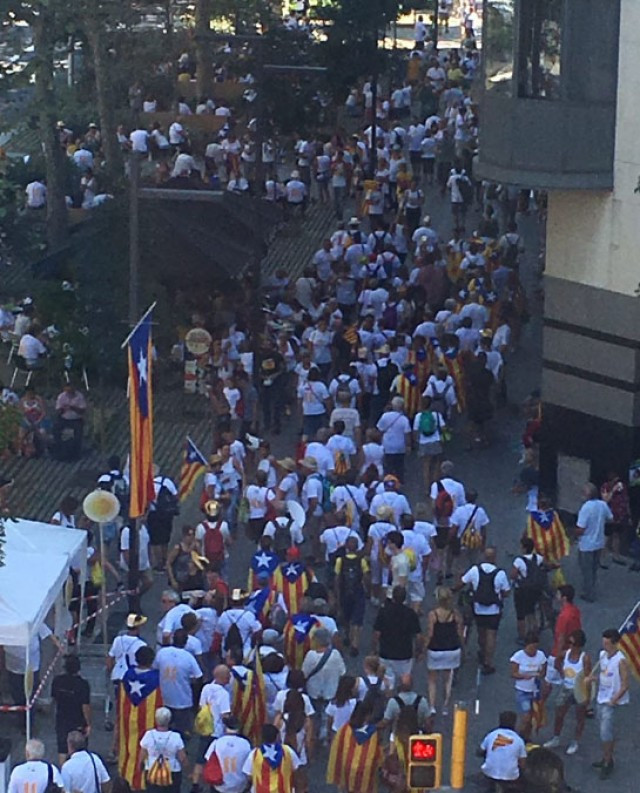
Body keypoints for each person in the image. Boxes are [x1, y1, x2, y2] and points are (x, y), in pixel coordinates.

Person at [460, 547, 510, 674]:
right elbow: (506, 592)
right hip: (494, 610)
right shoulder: (500, 573)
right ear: (494, 558)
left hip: (478, 608)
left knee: (481, 632)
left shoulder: (475, 570)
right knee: (491, 635)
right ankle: (488, 662)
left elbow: (462, 582)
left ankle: (482, 651)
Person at [543, 629, 592, 756]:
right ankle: (556, 737)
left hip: (579, 690)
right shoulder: (565, 654)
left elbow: (588, 678)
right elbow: (556, 661)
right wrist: (561, 673)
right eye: (569, 643)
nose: (570, 646)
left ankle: (575, 741)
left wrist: (587, 697)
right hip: (566, 688)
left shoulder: (585, 659)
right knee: (559, 714)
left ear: (579, 645)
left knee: (579, 717)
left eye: (573, 643)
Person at [589, 628, 629, 780]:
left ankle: (608, 761)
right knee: (603, 731)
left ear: (615, 644)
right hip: (601, 698)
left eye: (607, 643)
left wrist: (614, 700)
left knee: (606, 733)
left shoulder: (621, 661)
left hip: (611, 702)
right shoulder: (603, 655)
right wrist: (594, 680)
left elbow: (625, 684)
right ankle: (606, 757)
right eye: (603, 642)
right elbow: (604, 675)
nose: (604, 646)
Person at [153, 629, 203, 736]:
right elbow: (199, 676)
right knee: (182, 731)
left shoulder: (162, 652)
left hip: (164, 697)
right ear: (185, 642)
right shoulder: (188, 657)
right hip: (183, 700)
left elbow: (155, 669)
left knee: (164, 728)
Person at [424, 587, 464, 716]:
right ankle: (445, 705)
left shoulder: (433, 614)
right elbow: (460, 632)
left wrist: (423, 648)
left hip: (436, 649)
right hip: (452, 648)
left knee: (432, 679)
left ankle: (432, 706)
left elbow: (430, 633)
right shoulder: (455, 613)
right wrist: (462, 646)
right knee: (448, 678)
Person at [372, 585, 422, 686]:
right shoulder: (410, 613)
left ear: (393, 597)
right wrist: (418, 650)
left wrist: (374, 649)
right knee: (404, 681)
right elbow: (418, 636)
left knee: (387, 682)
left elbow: (377, 633)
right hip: (405, 654)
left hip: (386, 653)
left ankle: (389, 699)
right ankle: (401, 700)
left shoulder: (384, 612)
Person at [301, 628, 345, 741]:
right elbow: (342, 672)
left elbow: (304, 673)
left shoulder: (310, 655)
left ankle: (313, 735)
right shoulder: (336, 654)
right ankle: (324, 736)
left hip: (313, 691)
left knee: (314, 714)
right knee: (327, 715)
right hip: (331, 691)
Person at [575, 482, 613, 602]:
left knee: (586, 569)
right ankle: (591, 587)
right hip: (599, 542)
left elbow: (581, 528)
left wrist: (573, 534)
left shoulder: (585, 508)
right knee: (593, 568)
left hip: (586, 544)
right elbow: (611, 518)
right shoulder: (602, 505)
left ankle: (589, 593)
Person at [51, 655, 91, 765]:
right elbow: (85, 706)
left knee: (62, 749)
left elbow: (54, 698)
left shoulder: (57, 681)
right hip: (78, 721)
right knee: (79, 750)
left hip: (61, 719)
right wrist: (88, 723)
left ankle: (63, 775)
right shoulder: (83, 685)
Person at [334, 536, 370, 654]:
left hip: (344, 592)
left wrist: (337, 594)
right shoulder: (362, 560)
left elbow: (337, 578)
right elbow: (366, 576)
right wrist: (367, 590)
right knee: (357, 619)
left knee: (346, 616)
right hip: (358, 591)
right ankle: (355, 644)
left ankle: (347, 634)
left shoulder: (340, 560)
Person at [140, 706, 188, 793]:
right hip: (172, 771)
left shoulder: (148, 735)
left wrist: (140, 766)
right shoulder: (176, 737)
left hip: (152, 770)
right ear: (169, 720)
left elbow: (142, 754)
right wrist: (187, 769)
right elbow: (182, 757)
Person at [509, 632, 547, 741]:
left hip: (535, 690)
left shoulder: (541, 656)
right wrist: (524, 676)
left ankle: (527, 737)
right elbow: (513, 673)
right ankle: (520, 736)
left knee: (533, 716)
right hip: (523, 691)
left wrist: (540, 675)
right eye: (531, 647)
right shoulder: (518, 657)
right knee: (526, 716)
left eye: (536, 647)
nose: (534, 650)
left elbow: (543, 672)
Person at [242, 723, 300, 793]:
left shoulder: (254, 754)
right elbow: (296, 770)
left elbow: (248, 774)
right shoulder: (287, 751)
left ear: (262, 738)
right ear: (277, 736)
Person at [202, 715, 252, 793]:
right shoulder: (246, 744)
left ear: (225, 728)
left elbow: (208, 760)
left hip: (220, 785)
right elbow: (249, 765)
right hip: (239, 786)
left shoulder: (217, 742)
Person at [480, 711, 527, 790]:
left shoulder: (491, 735)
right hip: (510, 776)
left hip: (490, 773)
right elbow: (523, 763)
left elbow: (480, 751)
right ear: (514, 723)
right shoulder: (519, 740)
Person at [511, 536, 545, 643]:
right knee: (531, 612)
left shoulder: (519, 561)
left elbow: (513, 575)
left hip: (522, 590)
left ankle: (522, 637)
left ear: (524, 548)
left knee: (520, 614)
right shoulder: (539, 558)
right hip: (535, 589)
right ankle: (534, 634)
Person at [376, 396, 412, 481]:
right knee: (399, 467)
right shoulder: (404, 419)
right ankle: (398, 482)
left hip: (387, 446)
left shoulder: (385, 416)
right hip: (400, 447)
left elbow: (379, 430)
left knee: (387, 466)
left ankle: (387, 482)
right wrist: (408, 446)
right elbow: (407, 434)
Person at [53, 382, 87, 461]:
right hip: (64, 419)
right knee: (56, 430)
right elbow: (57, 411)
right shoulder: (61, 396)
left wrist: (73, 407)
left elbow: (82, 410)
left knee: (78, 433)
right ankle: (59, 451)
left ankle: (76, 453)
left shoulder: (80, 396)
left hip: (76, 419)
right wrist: (63, 408)